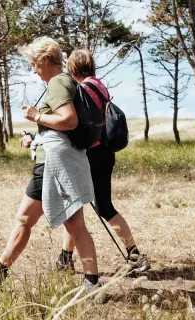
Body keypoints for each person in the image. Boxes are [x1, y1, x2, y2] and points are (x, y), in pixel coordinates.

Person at [0, 37, 100, 293]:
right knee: (33, 220)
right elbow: (61, 126)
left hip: (54, 166)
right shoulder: (65, 82)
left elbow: (69, 121)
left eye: (34, 64)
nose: (33, 70)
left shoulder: (59, 82)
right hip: (58, 163)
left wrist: (36, 115)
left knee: (42, 221)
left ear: (45, 60)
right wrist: (35, 137)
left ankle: (91, 283)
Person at [55, 49, 151, 273]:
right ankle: (65, 258)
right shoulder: (98, 85)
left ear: (72, 68)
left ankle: (134, 256)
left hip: (91, 155)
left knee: (93, 207)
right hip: (105, 153)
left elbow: (77, 123)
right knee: (88, 207)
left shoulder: (83, 89)